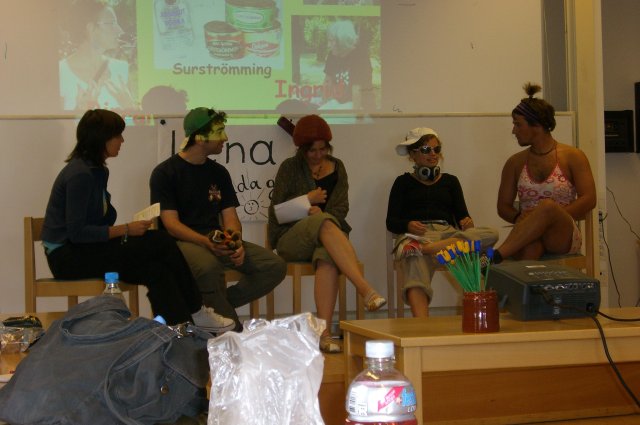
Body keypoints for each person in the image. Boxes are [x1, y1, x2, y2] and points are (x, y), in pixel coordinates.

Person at [41, 109, 234, 333]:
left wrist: (126, 226)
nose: (122, 141)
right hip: (66, 257)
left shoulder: (95, 170)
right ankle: (197, 310)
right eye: (118, 135)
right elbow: (77, 233)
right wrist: (126, 230)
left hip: (84, 249)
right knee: (161, 240)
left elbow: (99, 220)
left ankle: (178, 331)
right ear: (102, 138)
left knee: (157, 270)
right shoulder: (80, 175)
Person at [150, 107, 286, 332]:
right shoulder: (165, 173)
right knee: (208, 268)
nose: (225, 138)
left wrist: (235, 242)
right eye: (219, 132)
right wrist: (205, 243)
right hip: (181, 242)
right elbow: (171, 225)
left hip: (215, 239)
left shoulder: (219, 172)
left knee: (274, 266)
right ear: (200, 138)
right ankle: (233, 330)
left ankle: (208, 308)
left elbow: (230, 217)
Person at [268, 114, 386, 353]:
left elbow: (341, 208)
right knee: (323, 222)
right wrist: (307, 202)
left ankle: (325, 334)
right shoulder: (289, 167)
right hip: (291, 238)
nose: (318, 154)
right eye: (312, 150)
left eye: (322, 149)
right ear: (302, 149)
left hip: (328, 237)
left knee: (328, 256)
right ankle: (365, 289)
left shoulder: (337, 166)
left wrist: (321, 215)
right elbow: (276, 212)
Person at [386, 127, 499, 317]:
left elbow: (462, 218)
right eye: (426, 150)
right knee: (413, 257)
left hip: (447, 236)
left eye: (436, 149)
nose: (433, 154)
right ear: (413, 155)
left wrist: (467, 223)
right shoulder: (402, 183)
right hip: (419, 236)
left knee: (491, 232)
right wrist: (407, 225)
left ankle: (432, 248)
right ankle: (422, 325)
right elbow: (391, 222)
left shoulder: (451, 181)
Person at [494, 83, 596, 262]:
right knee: (530, 249)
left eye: (518, 125)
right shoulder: (515, 162)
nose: (513, 131)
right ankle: (513, 276)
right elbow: (503, 206)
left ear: (536, 125)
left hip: (561, 234)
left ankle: (496, 256)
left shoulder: (573, 156)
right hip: (528, 235)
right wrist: (520, 217)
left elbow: (589, 198)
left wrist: (551, 216)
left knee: (547, 207)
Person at [58, 0, 137, 111]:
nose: (120, 30)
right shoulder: (61, 72)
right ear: (90, 28)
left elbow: (132, 121)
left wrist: (129, 107)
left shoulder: (121, 69)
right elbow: (53, 122)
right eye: (111, 23)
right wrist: (79, 110)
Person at [320, 20, 374, 110]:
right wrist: (323, 104)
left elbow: (357, 92)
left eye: (331, 41)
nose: (328, 45)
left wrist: (355, 117)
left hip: (360, 107)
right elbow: (327, 82)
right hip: (338, 104)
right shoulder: (332, 55)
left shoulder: (360, 57)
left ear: (342, 40)